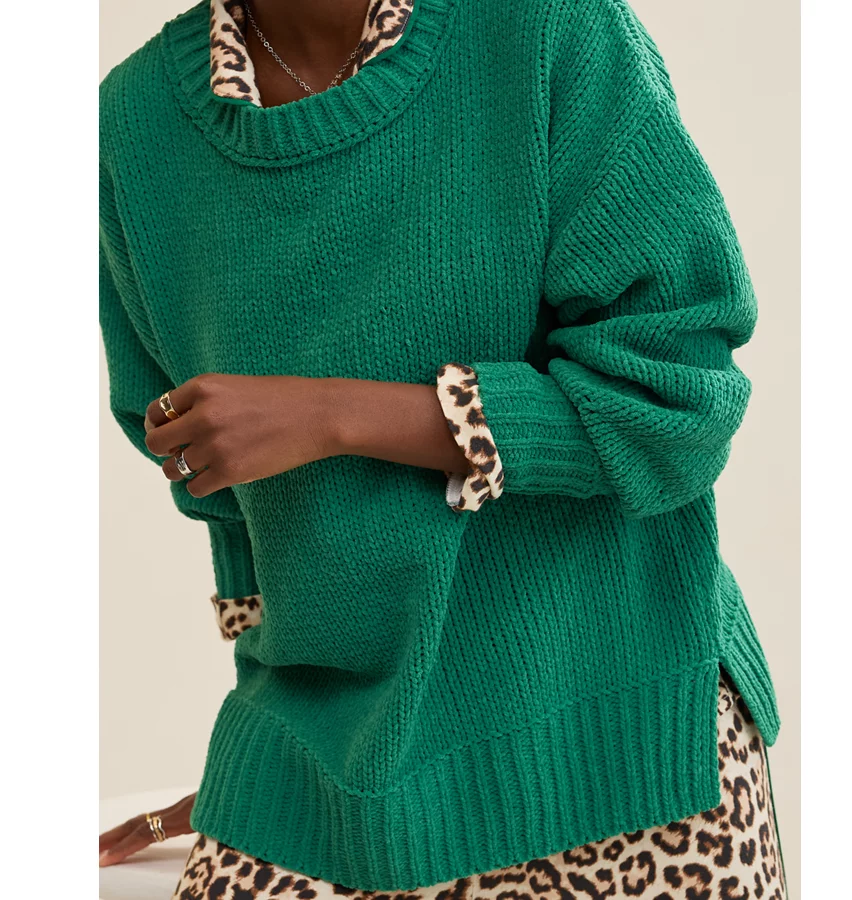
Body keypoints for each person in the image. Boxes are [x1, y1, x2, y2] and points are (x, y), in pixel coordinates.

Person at [98, 0, 789, 897]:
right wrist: (264, 776)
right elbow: (224, 501)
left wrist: (334, 415)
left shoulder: (546, 31)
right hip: (351, 764)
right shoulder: (134, 125)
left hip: (617, 741)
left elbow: (676, 397)